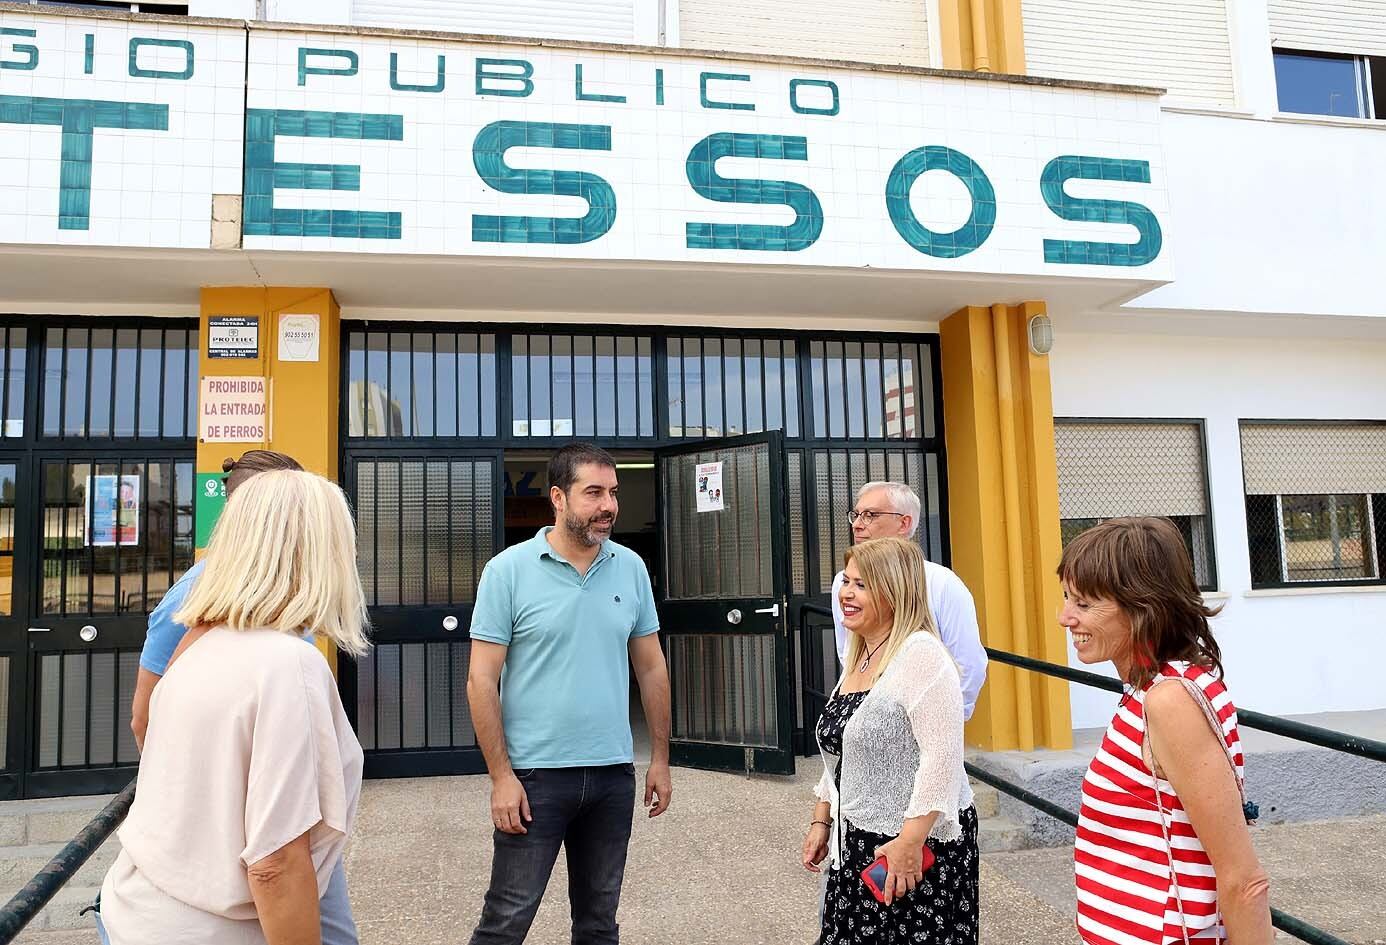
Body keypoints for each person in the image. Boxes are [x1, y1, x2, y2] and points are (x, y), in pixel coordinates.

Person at [98, 469, 370, 945]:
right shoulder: (287, 664)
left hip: (137, 911)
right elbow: (275, 864)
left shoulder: (198, 642)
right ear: (318, 554)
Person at [467, 442, 673, 945]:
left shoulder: (630, 567)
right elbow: (481, 680)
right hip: (534, 778)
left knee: (599, 924)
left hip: (611, 776)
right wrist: (501, 777)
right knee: (505, 922)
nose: (609, 506)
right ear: (558, 497)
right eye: (594, 493)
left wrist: (661, 759)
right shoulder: (508, 571)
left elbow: (650, 666)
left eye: (614, 493)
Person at [1059, 517, 1271, 945]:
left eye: (1084, 604)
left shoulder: (1169, 700)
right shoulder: (1144, 691)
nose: (1065, 617)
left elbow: (1243, 880)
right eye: (1067, 598)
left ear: (1141, 607)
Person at [803, 536, 978, 945]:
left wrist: (909, 842)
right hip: (857, 842)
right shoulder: (860, 654)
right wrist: (821, 818)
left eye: (861, 585)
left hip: (913, 848)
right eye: (847, 581)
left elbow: (943, 758)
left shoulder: (921, 656)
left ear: (894, 591)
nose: (846, 593)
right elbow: (845, 750)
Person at [830, 481, 987, 719]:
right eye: (856, 515)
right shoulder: (842, 583)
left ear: (904, 523)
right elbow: (848, 651)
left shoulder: (942, 584)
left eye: (870, 515)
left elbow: (968, 664)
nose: (858, 525)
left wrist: (941, 720)